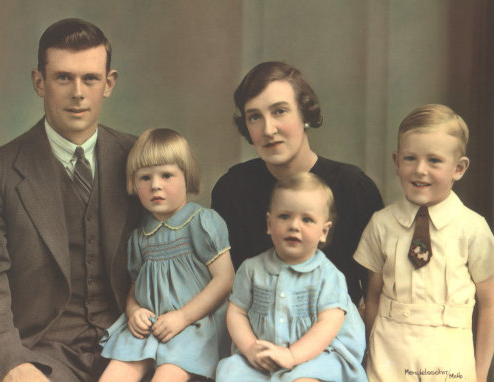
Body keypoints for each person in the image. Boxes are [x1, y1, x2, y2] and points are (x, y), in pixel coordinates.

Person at [0, 19, 144, 382]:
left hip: (131, 348)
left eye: (91, 79)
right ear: (40, 82)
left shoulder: (140, 159)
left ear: (109, 83)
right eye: (63, 78)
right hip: (38, 352)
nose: (78, 93)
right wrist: (12, 365)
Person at [211, 61, 383, 305]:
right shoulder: (232, 190)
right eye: (255, 117)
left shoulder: (353, 189)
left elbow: (375, 294)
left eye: (280, 111)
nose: (268, 129)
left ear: (305, 113)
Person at [354, 104, 494, 381]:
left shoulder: (473, 229)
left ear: (459, 168)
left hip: (450, 354)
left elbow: (489, 304)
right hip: (389, 352)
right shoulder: (381, 224)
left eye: (434, 161)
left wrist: (479, 372)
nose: (420, 170)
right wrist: (369, 354)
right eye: (409, 158)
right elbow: (372, 295)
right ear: (396, 161)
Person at [99, 128, 235, 382]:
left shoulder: (201, 222)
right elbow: (135, 287)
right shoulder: (140, 235)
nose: (156, 185)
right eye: (145, 178)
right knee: (113, 376)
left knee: (166, 376)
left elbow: (225, 280)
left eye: (166, 175)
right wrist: (134, 310)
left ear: (186, 176)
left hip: (193, 324)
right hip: (151, 324)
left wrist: (182, 317)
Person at [216, 172, 367, 382]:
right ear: (269, 223)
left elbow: (328, 325)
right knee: (231, 373)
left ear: (324, 231)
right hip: (264, 355)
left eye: (307, 219)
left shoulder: (328, 275)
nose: (294, 226)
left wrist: (292, 355)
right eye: (284, 216)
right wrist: (250, 348)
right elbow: (237, 312)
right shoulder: (252, 269)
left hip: (317, 355)